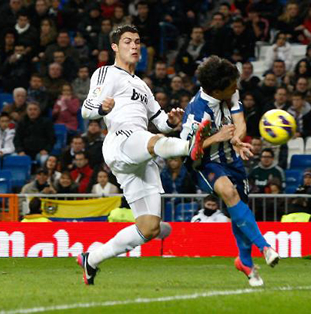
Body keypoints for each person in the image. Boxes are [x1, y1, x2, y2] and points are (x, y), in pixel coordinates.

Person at [77, 25, 211, 285]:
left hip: (140, 150)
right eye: (127, 41)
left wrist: (172, 121)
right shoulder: (107, 73)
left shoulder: (142, 85)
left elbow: (160, 121)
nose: (134, 46)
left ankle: (92, 259)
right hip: (121, 140)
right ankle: (190, 147)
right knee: (156, 142)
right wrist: (102, 108)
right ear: (115, 47)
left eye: (137, 41)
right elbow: (86, 109)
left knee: (149, 227)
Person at [181, 55, 279, 287]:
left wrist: (236, 139)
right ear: (217, 91)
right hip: (204, 163)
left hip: (231, 160)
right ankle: (264, 247)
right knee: (229, 194)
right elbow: (185, 149)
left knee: (239, 210)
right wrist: (216, 137)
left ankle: (245, 262)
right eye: (232, 85)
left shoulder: (229, 93)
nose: (237, 87)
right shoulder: (197, 113)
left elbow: (240, 122)